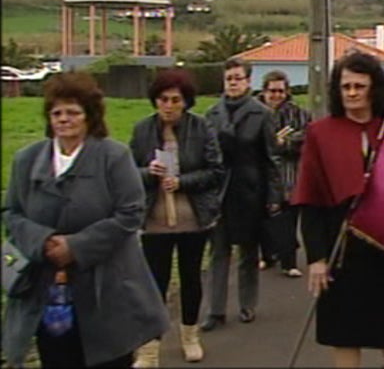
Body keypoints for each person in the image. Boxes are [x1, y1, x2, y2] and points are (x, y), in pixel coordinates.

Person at [3, 72, 170, 368]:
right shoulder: (26, 160)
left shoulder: (114, 156)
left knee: (108, 359)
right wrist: (44, 242)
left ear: (89, 117)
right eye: (57, 113)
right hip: (48, 288)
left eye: (72, 112)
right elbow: (12, 213)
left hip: (107, 288)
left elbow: (131, 213)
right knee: (57, 357)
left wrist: (76, 246)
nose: (63, 119)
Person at [292, 52, 384, 368]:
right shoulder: (320, 133)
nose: (352, 93)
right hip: (339, 246)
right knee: (343, 332)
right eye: (345, 86)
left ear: (373, 89)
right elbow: (310, 197)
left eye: (359, 86)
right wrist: (316, 258)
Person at [129, 69, 225, 366]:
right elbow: (127, 172)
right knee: (154, 282)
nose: (168, 106)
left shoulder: (201, 128)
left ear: (186, 102)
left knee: (190, 278)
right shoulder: (142, 130)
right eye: (162, 99)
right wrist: (149, 173)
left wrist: (183, 181)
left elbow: (215, 171)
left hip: (192, 218)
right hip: (154, 219)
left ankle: (190, 336)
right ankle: (149, 347)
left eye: (175, 100)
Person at [200, 58, 283, 331]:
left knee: (248, 251)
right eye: (229, 78)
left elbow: (271, 159)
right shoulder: (211, 114)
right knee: (218, 251)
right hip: (220, 190)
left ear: (248, 81)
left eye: (238, 78)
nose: (233, 83)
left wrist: (273, 196)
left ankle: (247, 304)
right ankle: (215, 310)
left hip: (250, 190)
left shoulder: (262, 114)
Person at [257, 69, 311, 278]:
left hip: (290, 174)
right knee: (264, 218)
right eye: (272, 91)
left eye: (280, 91)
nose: (276, 95)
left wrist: (284, 142)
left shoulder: (300, 113)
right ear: (264, 91)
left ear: (287, 92)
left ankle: (289, 263)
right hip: (263, 174)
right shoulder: (255, 112)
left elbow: (306, 138)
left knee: (289, 219)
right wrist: (272, 142)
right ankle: (267, 255)